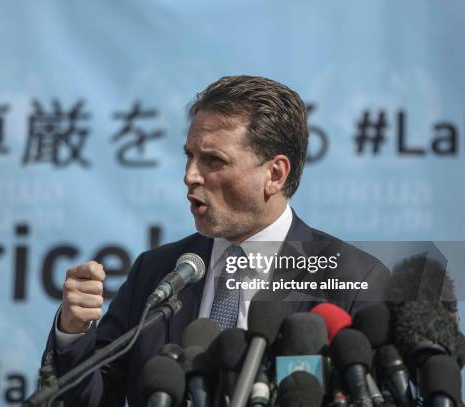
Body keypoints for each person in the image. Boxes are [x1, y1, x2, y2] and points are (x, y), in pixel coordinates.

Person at [40, 75, 389, 406]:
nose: (190, 175)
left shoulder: (355, 281)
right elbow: (95, 397)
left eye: (212, 161)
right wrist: (73, 330)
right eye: (189, 156)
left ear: (275, 174)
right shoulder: (155, 271)